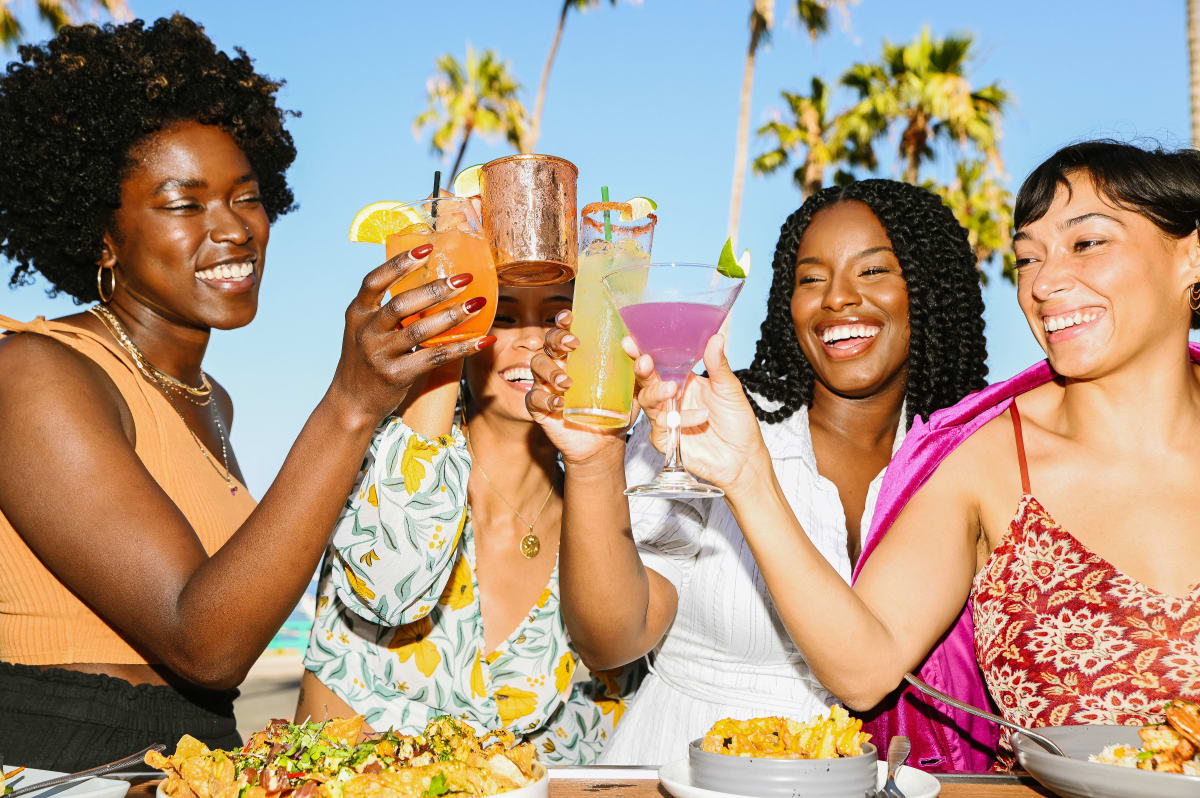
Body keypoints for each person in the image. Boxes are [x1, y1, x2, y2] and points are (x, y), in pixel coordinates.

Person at [610, 140, 1200, 768]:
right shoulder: (983, 459)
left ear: (1192, 255)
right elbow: (863, 669)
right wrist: (746, 475)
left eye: (1087, 244)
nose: (1046, 283)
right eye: (1028, 257)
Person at [0, 16, 491, 769]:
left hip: (185, 763)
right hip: (61, 770)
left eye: (246, 197)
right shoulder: (37, 371)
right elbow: (205, 644)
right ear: (103, 236)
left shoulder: (209, 397)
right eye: (182, 204)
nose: (233, 229)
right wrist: (351, 403)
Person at [526, 179, 990, 765]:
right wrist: (594, 464)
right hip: (680, 768)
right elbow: (612, 641)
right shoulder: (710, 420)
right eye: (811, 278)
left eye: (872, 273)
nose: (837, 299)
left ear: (929, 288)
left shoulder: (959, 462)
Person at [297, 282, 643, 765]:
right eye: (501, 316)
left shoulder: (624, 509)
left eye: (556, 316)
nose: (530, 340)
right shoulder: (385, 464)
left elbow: (622, 656)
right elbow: (389, 588)